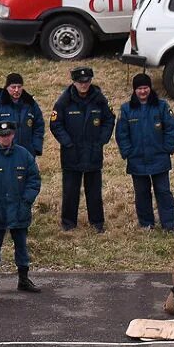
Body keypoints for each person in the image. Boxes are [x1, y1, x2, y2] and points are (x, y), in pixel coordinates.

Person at [0, 120, 41, 294]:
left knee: (21, 246)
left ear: (13, 135)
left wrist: (26, 202)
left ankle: (24, 280)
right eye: (2, 135)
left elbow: (34, 181)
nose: (5, 138)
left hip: (19, 211)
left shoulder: (24, 155)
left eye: (8, 134)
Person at [50, 66, 115, 232]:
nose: (84, 85)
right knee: (70, 191)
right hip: (72, 153)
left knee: (94, 191)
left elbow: (109, 120)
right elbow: (56, 124)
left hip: (93, 152)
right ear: (74, 82)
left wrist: (102, 140)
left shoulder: (99, 99)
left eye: (86, 81)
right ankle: (68, 223)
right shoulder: (64, 101)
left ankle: (97, 223)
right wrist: (67, 143)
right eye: (80, 82)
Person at [116, 73, 174, 231]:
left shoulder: (162, 106)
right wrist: (128, 152)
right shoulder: (126, 109)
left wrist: (167, 149)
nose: (143, 91)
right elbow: (121, 134)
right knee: (142, 193)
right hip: (137, 160)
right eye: (139, 88)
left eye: (145, 88)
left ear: (150, 88)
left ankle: (169, 225)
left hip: (159, 158)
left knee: (163, 192)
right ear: (134, 90)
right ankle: (146, 223)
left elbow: (171, 128)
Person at [0, 72, 44, 156]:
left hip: (27, 153)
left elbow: (39, 126)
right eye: (13, 87)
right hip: (5, 153)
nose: (16, 90)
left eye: (19, 87)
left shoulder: (31, 104)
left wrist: (35, 148)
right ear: (7, 87)